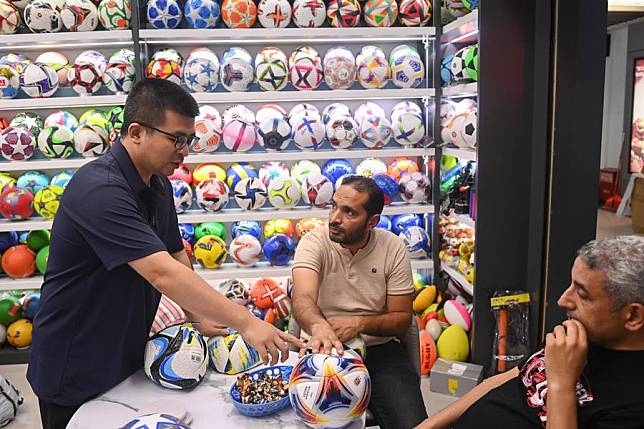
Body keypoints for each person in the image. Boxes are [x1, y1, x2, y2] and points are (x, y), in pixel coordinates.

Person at [27, 79, 302, 429]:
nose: (185, 150)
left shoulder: (157, 183)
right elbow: (161, 273)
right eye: (177, 139)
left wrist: (197, 315)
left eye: (189, 139)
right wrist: (246, 322)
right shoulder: (98, 189)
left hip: (125, 352)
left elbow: (175, 254)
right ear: (137, 132)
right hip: (76, 361)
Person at [416, 235, 644, 429]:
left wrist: (561, 385)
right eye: (571, 285)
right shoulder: (579, 335)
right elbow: (508, 378)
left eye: (583, 294)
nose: (563, 300)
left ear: (632, 316)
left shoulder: (633, 403)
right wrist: (429, 425)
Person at [292, 175, 428, 429]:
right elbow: (302, 298)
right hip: (321, 352)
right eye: (333, 206)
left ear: (372, 221)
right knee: (322, 422)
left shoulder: (392, 247)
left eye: (349, 212)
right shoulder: (314, 242)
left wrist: (358, 324)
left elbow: (401, 319)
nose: (334, 218)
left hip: (379, 352)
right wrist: (320, 326)